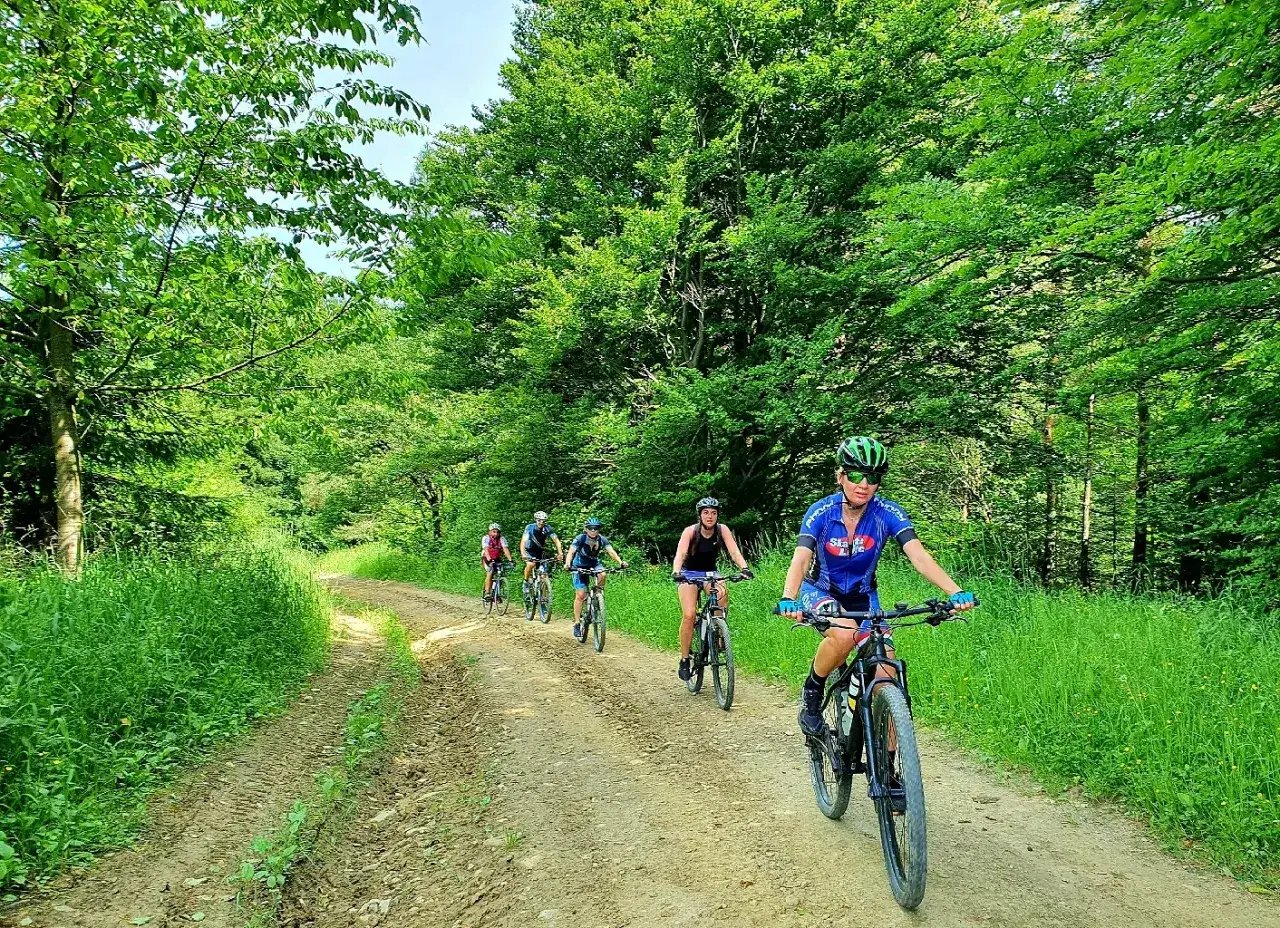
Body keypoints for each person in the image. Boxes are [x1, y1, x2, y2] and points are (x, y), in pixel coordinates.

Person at [777, 436, 976, 736]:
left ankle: (892, 777)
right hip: (820, 592)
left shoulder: (887, 513)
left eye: (872, 477)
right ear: (841, 476)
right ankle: (813, 691)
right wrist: (788, 597)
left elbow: (919, 556)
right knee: (844, 634)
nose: (863, 484)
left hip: (864, 598)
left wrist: (955, 592)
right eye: (856, 475)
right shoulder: (821, 512)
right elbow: (801, 560)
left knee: (887, 671)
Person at [670, 497, 753, 682]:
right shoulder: (690, 531)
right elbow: (681, 553)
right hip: (688, 573)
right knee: (690, 614)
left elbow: (734, 552)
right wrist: (676, 572)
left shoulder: (722, 530)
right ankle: (684, 659)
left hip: (710, 572)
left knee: (722, 596)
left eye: (714, 513)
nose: (710, 516)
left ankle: (718, 634)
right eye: (706, 513)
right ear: (700, 515)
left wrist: (744, 568)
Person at [563, 516, 627, 638]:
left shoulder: (601, 539)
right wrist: (567, 563)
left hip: (594, 564)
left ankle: (598, 597)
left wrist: (620, 562)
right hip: (579, 566)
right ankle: (577, 623)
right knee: (580, 595)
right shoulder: (580, 538)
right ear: (586, 529)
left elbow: (611, 552)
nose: (593, 531)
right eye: (591, 528)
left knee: (602, 573)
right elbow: (571, 552)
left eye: (596, 528)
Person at [521, 511, 564, 608]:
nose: (541, 522)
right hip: (529, 551)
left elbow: (556, 541)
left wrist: (560, 553)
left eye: (544, 521)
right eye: (539, 520)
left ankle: (543, 601)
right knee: (531, 564)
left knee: (544, 576)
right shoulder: (529, 528)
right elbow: (523, 541)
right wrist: (523, 553)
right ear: (536, 520)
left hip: (540, 552)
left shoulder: (548, 528)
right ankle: (526, 582)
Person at [480, 522, 513, 603]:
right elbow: (486, 549)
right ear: (490, 531)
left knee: (500, 573)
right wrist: (489, 559)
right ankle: (487, 593)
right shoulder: (486, 538)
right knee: (490, 572)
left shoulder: (502, 539)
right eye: (494, 531)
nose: (496, 534)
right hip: (487, 557)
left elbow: (505, 549)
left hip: (497, 558)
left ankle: (496, 594)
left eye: (497, 532)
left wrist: (510, 560)